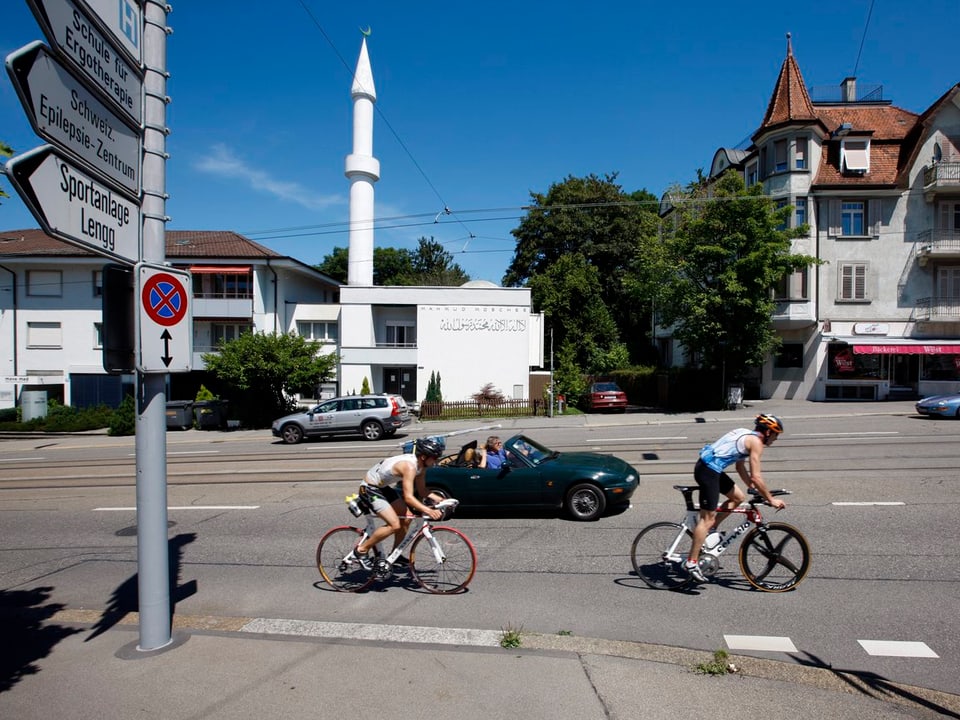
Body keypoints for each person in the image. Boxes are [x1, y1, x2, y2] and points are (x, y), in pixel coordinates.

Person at [683, 414, 786, 583]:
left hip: (709, 468)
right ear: (768, 432)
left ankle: (710, 530)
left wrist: (753, 489)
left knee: (738, 497)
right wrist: (770, 498)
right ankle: (692, 562)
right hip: (708, 471)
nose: (776, 439)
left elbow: (740, 467)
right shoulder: (756, 443)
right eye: (776, 435)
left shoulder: (746, 434)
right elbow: (756, 477)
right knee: (706, 519)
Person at [348, 437, 444, 570]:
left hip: (381, 487)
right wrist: (428, 510)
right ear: (423, 456)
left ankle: (395, 555)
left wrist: (441, 500)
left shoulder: (421, 467)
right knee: (394, 524)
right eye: (435, 458)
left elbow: (422, 491)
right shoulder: (409, 467)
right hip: (369, 488)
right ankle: (361, 550)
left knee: (407, 518)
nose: (436, 461)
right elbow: (409, 497)